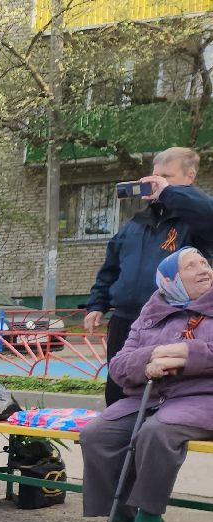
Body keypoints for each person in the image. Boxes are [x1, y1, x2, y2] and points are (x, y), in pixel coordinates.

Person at [79, 247, 213, 522]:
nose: (204, 270)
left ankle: (149, 521)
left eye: (205, 263)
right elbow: (119, 364)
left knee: (156, 433)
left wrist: (187, 355)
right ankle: (122, 517)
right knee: (97, 434)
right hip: (149, 397)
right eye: (191, 266)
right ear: (170, 280)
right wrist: (150, 359)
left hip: (202, 397)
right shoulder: (151, 312)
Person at [84, 147, 213, 405]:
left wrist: (168, 192)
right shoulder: (136, 223)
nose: (156, 182)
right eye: (155, 175)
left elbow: (207, 212)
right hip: (126, 319)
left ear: (189, 177)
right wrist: (97, 303)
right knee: (118, 389)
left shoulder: (196, 220)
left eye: (166, 176)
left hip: (172, 319)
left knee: (161, 392)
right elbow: (111, 267)